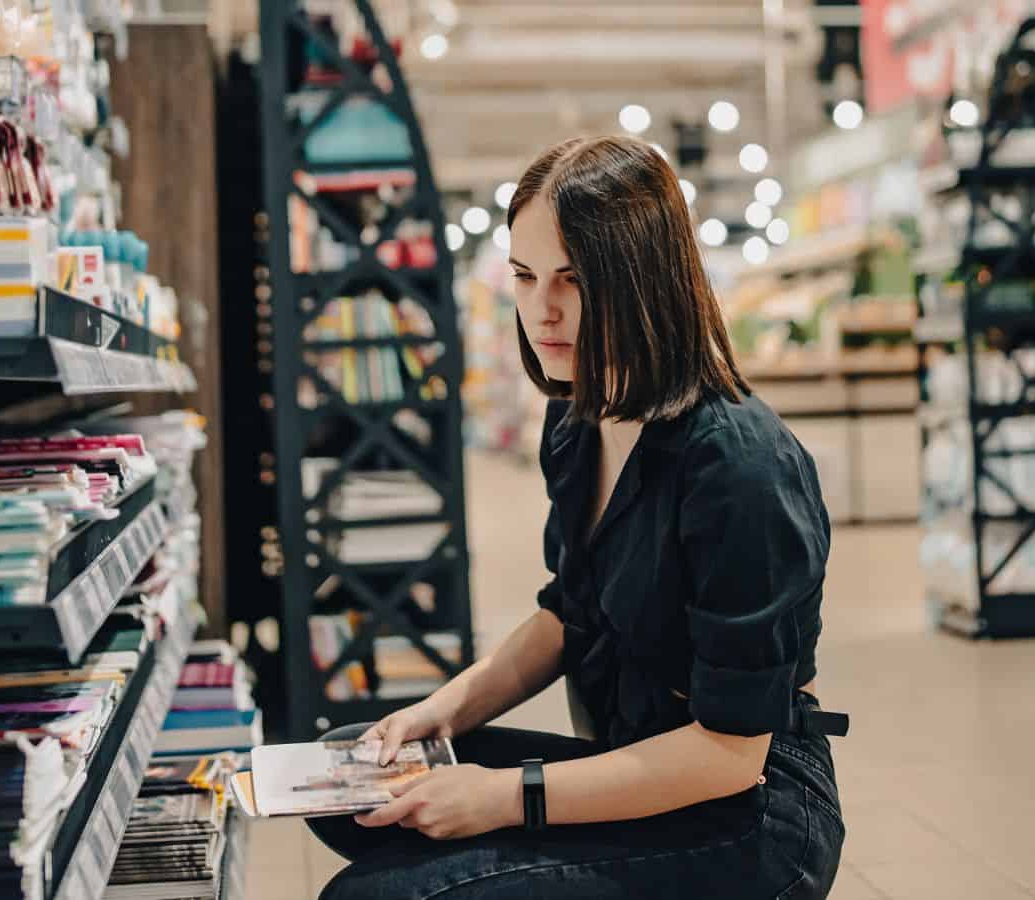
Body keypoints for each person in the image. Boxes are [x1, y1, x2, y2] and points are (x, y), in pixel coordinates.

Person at [308, 135, 847, 899]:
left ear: (642, 281)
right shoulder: (579, 421)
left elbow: (730, 753)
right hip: (635, 756)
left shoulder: (738, 467)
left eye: (574, 279)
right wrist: (440, 714)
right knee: (355, 776)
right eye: (525, 277)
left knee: (377, 895)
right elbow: (569, 615)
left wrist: (504, 798)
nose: (542, 309)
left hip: (747, 815)